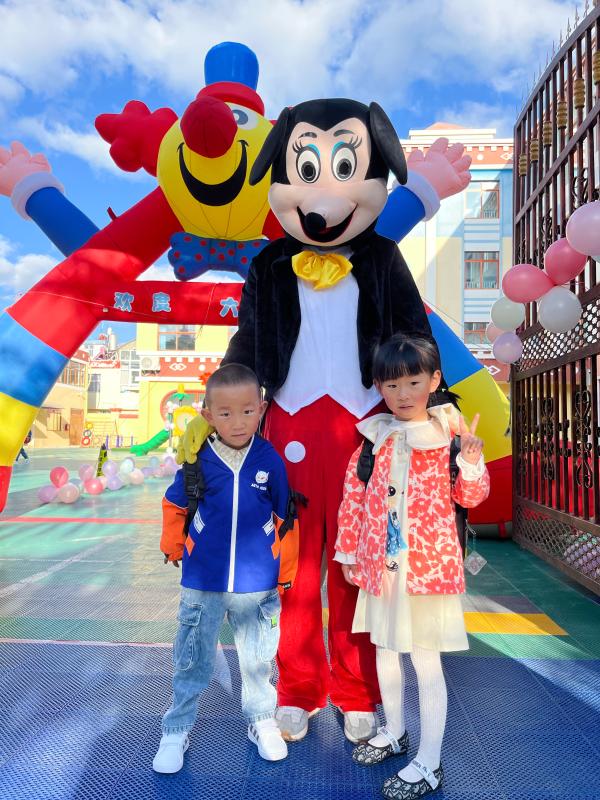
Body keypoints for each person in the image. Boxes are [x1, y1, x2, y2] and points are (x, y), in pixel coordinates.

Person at [335, 334, 490, 800]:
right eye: (391, 384)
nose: (402, 394)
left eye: (413, 382)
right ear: (379, 387)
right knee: (385, 651)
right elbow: (353, 499)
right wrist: (348, 554)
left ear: (434, 380)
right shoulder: (372, 441)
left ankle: (430, 761)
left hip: (428, 572)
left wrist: (471, 462)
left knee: (426, 662)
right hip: (380, 569)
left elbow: (471, 498)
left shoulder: (449, 439)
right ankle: (396, 731)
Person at [153, 363, 298, 773]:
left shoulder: (269, 459)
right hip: (203, 581)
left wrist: (285, 569)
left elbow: (285, 517)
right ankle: (176, 728)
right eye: (226, 413)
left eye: (248, 411)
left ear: (262, 409)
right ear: (208, 414)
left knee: (258, 660)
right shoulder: (198, 459)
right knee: (191, 658)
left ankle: (261, 720)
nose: (238, 422)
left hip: (257, 584)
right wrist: (174, 544)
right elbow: (174, 503)